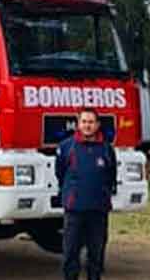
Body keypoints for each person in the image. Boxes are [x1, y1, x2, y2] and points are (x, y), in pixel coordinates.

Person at [55, 109, 116, 280]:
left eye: (91, 122)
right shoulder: (67, 147)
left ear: (97, 125)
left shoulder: (106, 149)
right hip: (75, 209)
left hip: (98, 210)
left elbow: (111, 175)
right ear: (78, 124)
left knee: (96, 255)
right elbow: (60, 172)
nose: (87, 126)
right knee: (70, 254)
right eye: (84, 122)